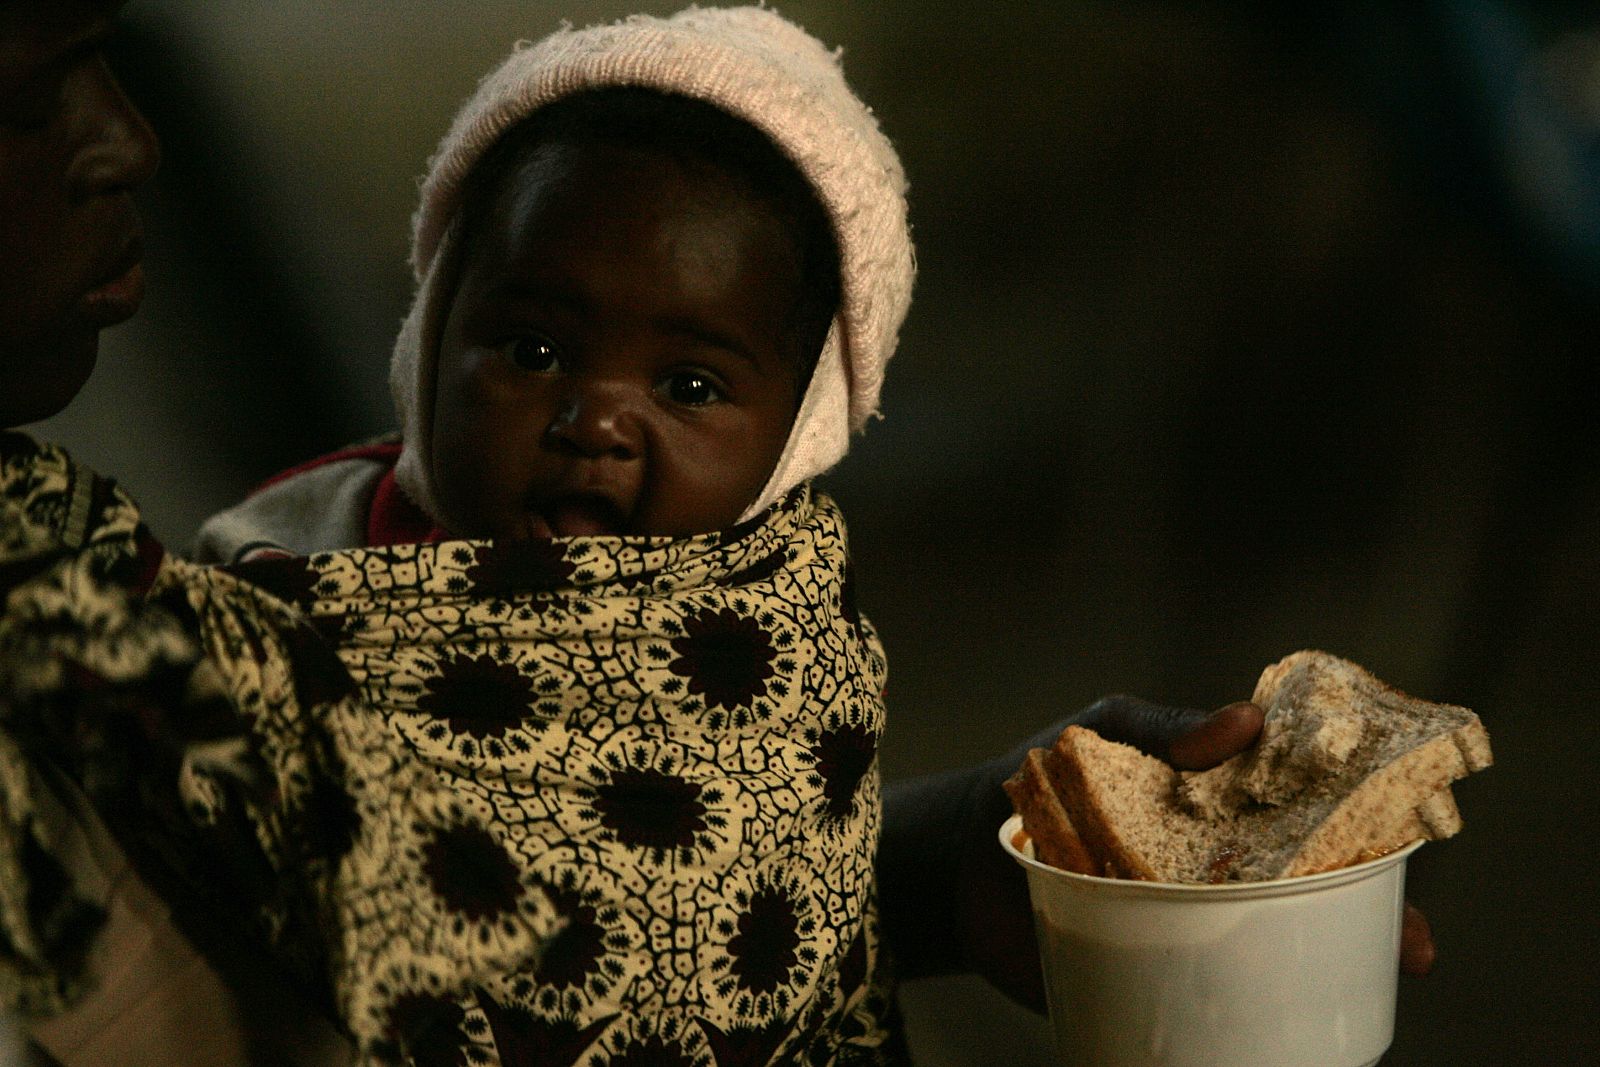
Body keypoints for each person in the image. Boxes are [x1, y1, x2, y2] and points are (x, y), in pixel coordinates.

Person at [0, 4, 1427, 1066]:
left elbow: (626, 891)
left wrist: (922, 864)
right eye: (530, 346)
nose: (595, 423)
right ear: (431, 338)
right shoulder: (280, 565)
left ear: (798, 429)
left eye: (687, 387)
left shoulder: (769, 632)